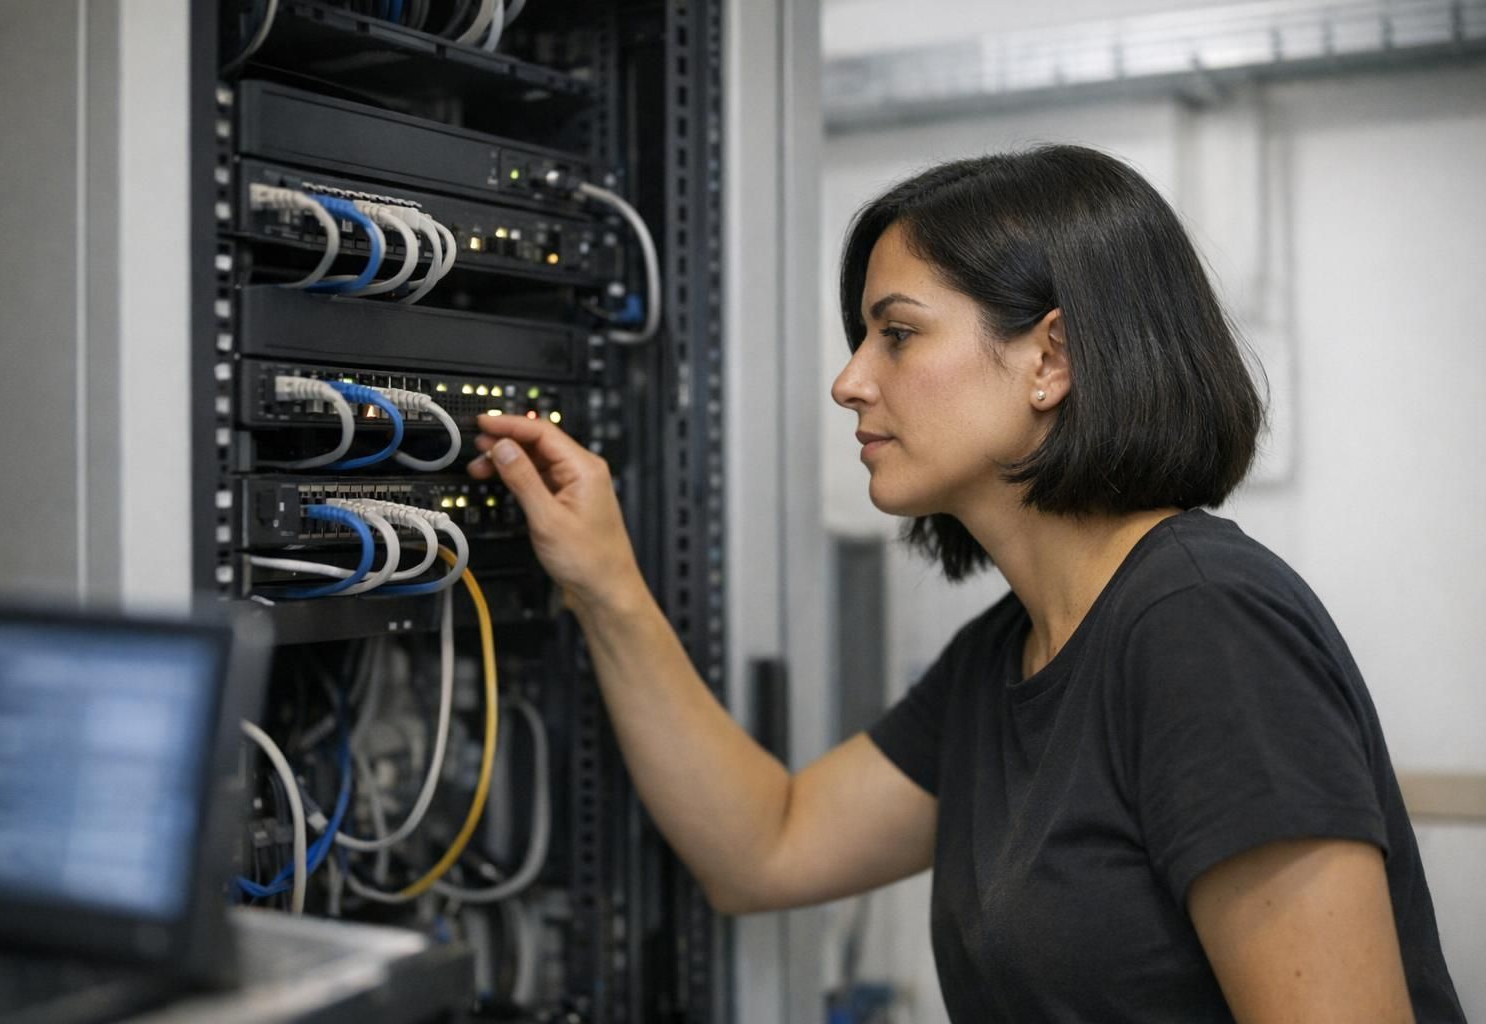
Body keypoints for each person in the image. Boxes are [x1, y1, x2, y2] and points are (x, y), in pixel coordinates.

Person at [468, 145, 1464, 1022]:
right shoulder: (1007, 654)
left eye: (896, 333)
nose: (850, 380)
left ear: (1051, 358)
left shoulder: (1203, 624)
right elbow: (766, 847)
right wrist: (606, 585)